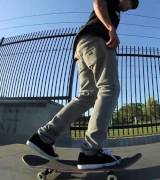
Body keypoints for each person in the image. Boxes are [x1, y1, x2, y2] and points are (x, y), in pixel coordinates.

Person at [26, 0, 139, 170]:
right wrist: (110, 27)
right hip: (96, 41)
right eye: (128, 6)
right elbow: (98, 2)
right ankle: (90, 152)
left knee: (88, 95)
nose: (126, 10)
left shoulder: (115, 11)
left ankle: (43, 137)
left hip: (83, 45)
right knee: (110, 88)